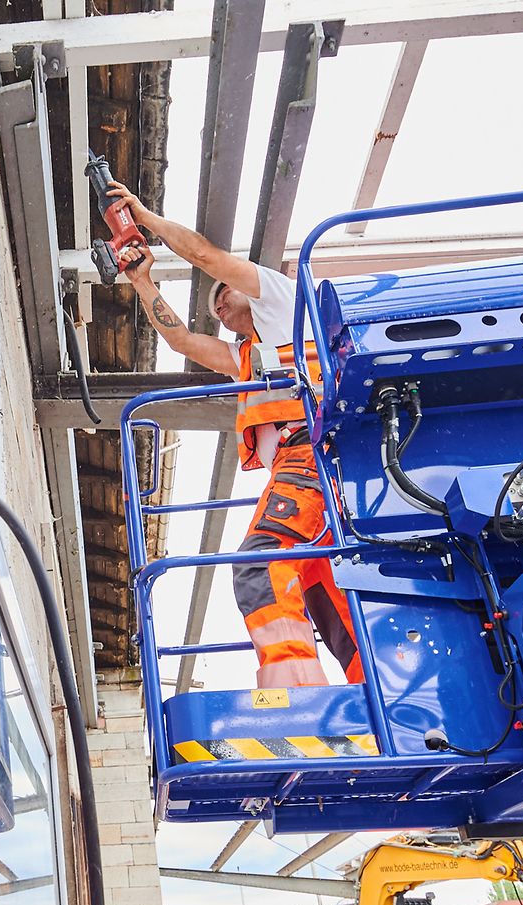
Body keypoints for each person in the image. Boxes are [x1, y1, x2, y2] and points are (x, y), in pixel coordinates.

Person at [108, 182, 362, 690]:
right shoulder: (247, 358)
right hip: (316, 472)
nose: (219, 309)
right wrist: (141, 280)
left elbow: (206, 255)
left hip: (315, 456)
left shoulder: (285, 304)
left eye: (223, 296)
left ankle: (296, 694)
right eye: (216, 309)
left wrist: (146, 218)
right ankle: (376, 694)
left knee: (262, 564)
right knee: (329, 593)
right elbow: (180, 338)